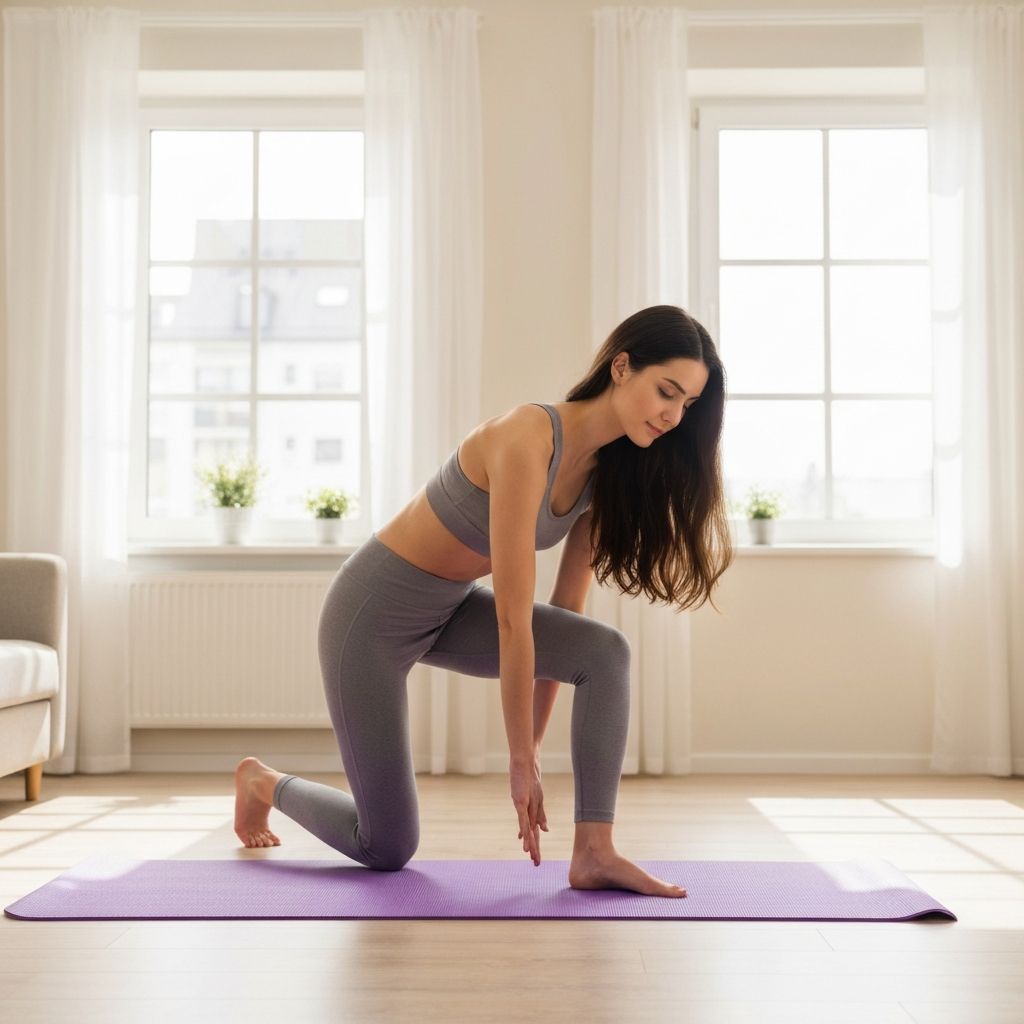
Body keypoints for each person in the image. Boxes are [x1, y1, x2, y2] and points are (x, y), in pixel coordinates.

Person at [234, 304, 732, 898]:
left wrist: (534, 746)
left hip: (448, 608)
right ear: (621, 368)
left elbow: (563, 616)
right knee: (386, 846)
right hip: (369, 615)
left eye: (687, 405)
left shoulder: (607, 474)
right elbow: (513, 620)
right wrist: (521, 762)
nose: (673, 416)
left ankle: (595, 852)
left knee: (605, 651)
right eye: (666, 392)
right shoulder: (526, 437)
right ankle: (263, 783)